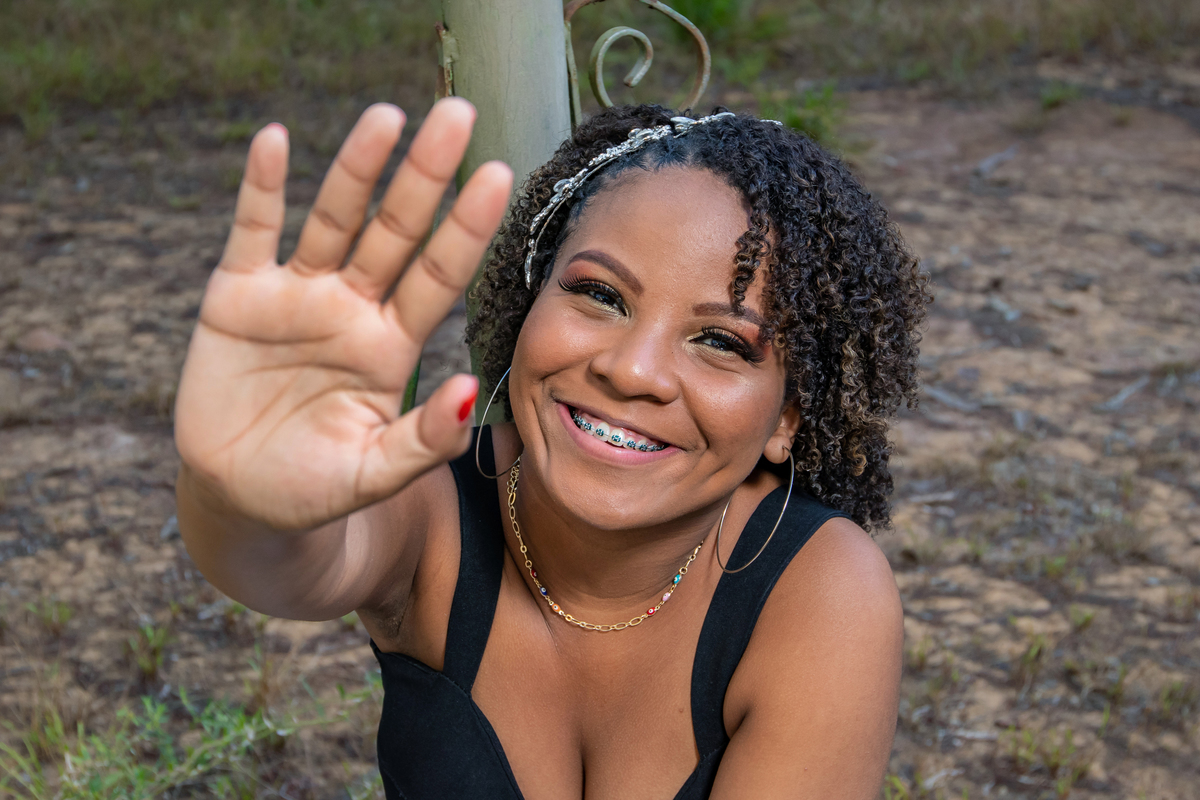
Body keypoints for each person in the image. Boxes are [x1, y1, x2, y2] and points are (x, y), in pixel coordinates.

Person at [174, 96, 928, 799]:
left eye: (720, 341)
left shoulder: (818, 593)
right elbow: (284, 563)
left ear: (786, 419)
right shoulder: (434, 505)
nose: (631, 369)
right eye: (600, 295)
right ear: (532, 301)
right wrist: (238, 495)